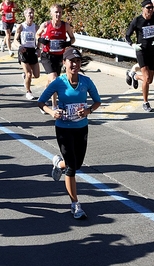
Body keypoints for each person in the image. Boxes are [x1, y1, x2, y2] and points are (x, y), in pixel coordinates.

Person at [38, 48, 101, 219]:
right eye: (71, 61)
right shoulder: (58, 82)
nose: (75, 64)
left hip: (81, 127)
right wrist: (52, 113)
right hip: (63, 128)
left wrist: (88, 111)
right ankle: (75, 204)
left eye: (78, 61)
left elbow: (97, 101)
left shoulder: (86, 81)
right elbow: (41, 101)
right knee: (72, 167)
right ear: (64, 63)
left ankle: (59, 164)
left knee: (77, 163)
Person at [36, 3, 75, 111]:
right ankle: (54, 105)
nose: (58, 14)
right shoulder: (45, 25)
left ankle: (42, 100)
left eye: (60, 12)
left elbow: (72, 38)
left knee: (50, 82)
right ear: (51, 13)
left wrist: (67, 43)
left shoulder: (65, 26)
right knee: (54, 80)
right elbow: (37, 35)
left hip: (59, 56)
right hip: (47, 56)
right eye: (56, 12)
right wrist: (41, 40)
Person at [125, 0, 154, 112]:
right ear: (143, 8)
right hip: (141, 51)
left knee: (149, 80)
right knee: (146, 78)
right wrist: (133, 45)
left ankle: (134, 76)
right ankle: (145, 102)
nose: (150, 10)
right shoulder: (137, 20)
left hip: (152, 50)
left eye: (151, 8)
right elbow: (127, 36)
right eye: (148, 8)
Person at [13, 7, 40, 100]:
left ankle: (25, 76)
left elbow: (39, 39)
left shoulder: (36, 27)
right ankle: (28, 92)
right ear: (25, 15)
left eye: (32, 13)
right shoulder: (21, 27)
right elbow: (15, 40)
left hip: (32, 51)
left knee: (36, 75)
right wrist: (20, 46)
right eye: (29, 13)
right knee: (29, 74)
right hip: (23, 51)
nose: (31, 15)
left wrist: (38, 48)